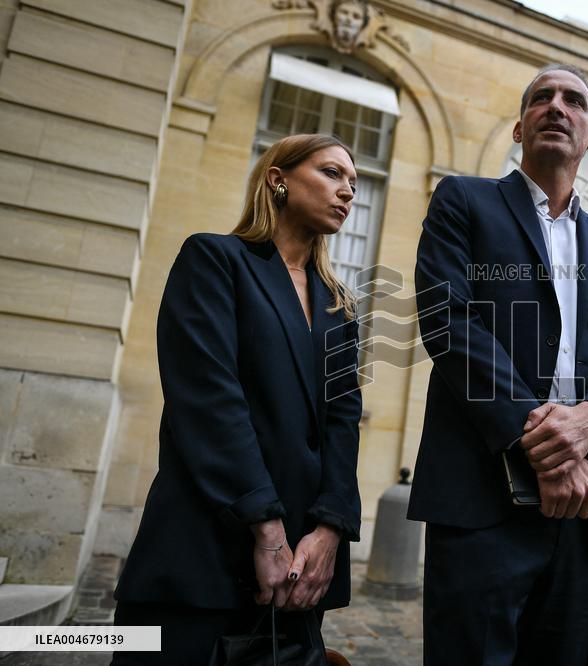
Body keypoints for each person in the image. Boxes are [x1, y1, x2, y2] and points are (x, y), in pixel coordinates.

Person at [408, 64, 588, 665]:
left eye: (574, 101)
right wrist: (544, 442)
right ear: (519, 128)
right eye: (542, 98)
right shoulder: (464, 200)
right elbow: (449, 321)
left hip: (587, 507)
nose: (557, 107)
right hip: (482, 498)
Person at [111, 134, 364, 664]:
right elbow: (208, 400)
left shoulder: (340, 305)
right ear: (278, 179)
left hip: (299, 568)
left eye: (354, 183)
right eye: (331, 173)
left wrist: (330, 529)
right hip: (203, 547)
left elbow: (343, 422)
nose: (347, 191)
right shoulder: (214, 259)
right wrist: (265, 528)